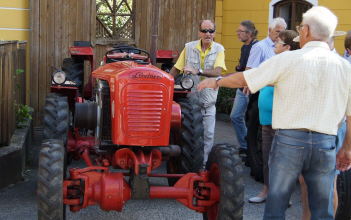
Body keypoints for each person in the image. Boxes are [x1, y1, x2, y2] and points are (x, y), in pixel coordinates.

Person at [197, 6, 351, 219]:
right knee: (322, 207)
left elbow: (246, 78)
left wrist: (216, 81)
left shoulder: (288, 59)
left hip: (289, 141)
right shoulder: (345, 67)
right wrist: (347, 148)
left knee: (276, 204)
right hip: (326, 142)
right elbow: (350, 115)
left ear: (305, 31)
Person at [299, 30, 347, 220]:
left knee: (328, 182)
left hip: (329, 128)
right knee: (305, 180)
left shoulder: (341, 66)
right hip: (309, 128)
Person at [169, 19, 227, 165]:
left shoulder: (219, 49)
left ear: (214, 33)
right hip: (190, 103)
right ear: (199, 32)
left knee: (208, 135)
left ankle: (203, 166)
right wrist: (166, 82)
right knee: (187, 136)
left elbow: (218, 71)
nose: (208, 34)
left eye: (211, 31)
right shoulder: (189, 47)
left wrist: (198, 71)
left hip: (208, 102)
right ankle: (185, 165)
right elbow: (177, 68)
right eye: (205, 31)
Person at [247, 17, 287, 204]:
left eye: (281, 36)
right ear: (270, 30)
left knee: (281, 156)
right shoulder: (262, 48)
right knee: (265, 152)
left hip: (281, 116)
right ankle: (266, 190)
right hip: (264, 113)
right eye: (277, 33)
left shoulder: (288, 61)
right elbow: (251, 71)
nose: (277, 40)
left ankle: (280, 194)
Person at [230, 20, 258, 154]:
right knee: (235, 116)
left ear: (249, 33)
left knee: (250, 120)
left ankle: (250, 149)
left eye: (240, 31)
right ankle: (245, 146)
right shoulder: (244, 47)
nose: (237, 34)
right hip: (241, 87)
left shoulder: (256, 47)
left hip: (251, 89)